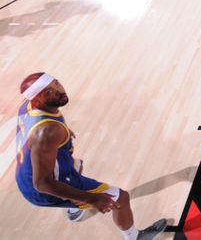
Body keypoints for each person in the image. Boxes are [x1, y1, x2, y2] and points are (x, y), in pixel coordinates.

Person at [15, 73, 166, 239]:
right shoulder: (48, 132)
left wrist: (61, 133)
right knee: (120, 198)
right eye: (48, 92)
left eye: (56, 84)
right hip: (45, 188)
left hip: (26, 174)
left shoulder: (29, 108)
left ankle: (74, 210)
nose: (58, 90)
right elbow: (42, 183)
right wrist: (90, 198)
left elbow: (35, 133)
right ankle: (134, 237)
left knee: (77, 165)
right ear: (36, 100)